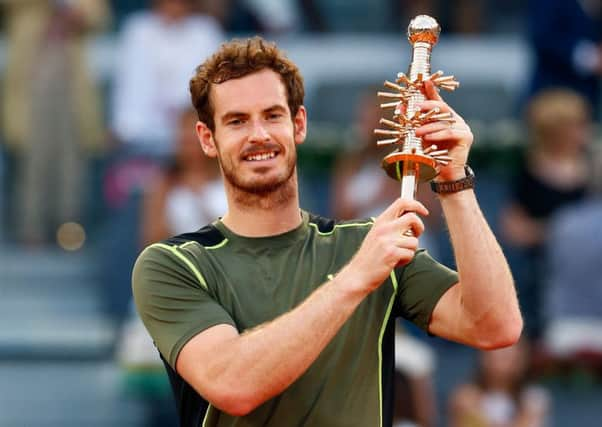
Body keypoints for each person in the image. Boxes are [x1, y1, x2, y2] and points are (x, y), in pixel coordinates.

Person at [132, 36, 522, 426]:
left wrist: (454, 179)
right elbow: (232, 385)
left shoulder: (369, 246)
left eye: (272, 115)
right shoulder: (174, 265)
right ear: (207, 139)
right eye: (237, 121)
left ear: (298, 124)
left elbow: (494, 325)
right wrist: (355, 278)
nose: (258, 135)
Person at [1, 0, 110, 245]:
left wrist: (71, 11)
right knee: (33, 157)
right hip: (32, 72)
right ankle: (31, 229)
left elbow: (97, 16)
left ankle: (68, 230)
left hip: (71, 74)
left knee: (70, 159)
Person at [449, 339, 550, 427]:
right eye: (498, 354)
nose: (501, 361)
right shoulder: (465, 396)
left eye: (508, 356)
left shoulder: (535, 399)